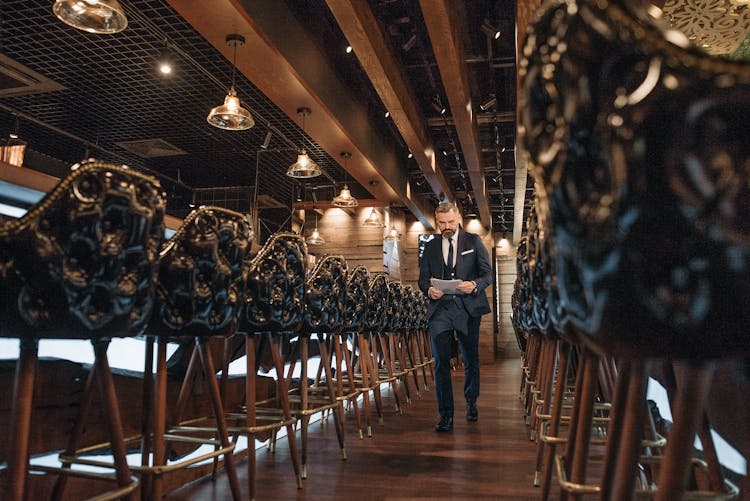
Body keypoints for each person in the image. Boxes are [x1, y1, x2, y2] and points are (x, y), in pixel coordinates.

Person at [418, 202, 493, 432]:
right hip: (440, 310)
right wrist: (429, 290)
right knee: (441, 362)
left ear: (458, 217)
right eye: (442, 223)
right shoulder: (430, 248)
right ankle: (446, 415)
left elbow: (487, 274)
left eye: (451, 222)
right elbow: (423, 280)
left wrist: (474, 285)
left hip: (467, 308)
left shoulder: (473, 241)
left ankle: (471, 402)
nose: (447, 227)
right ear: (436, 220)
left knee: (470, 358)